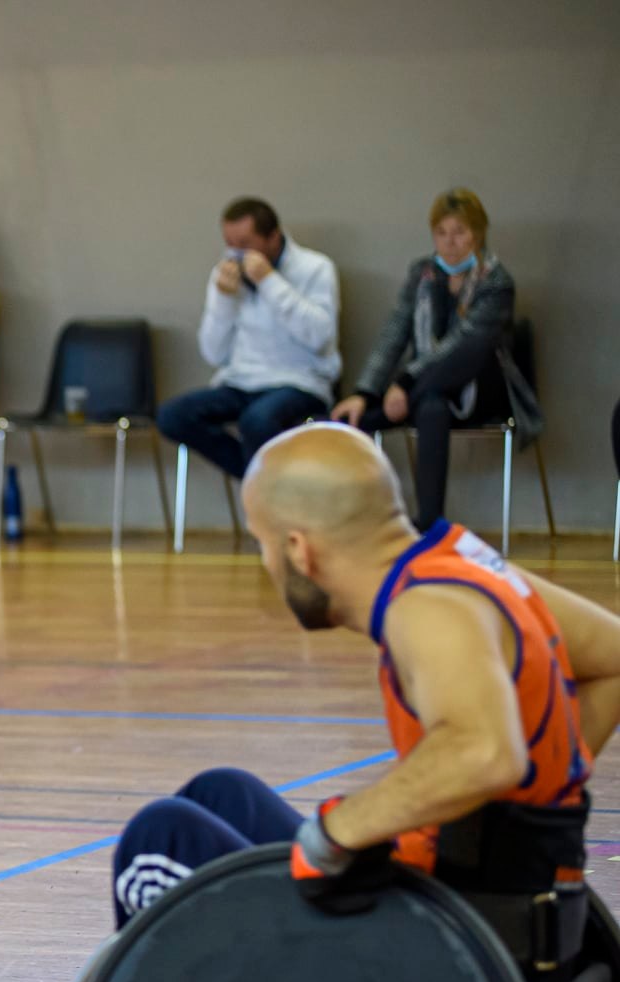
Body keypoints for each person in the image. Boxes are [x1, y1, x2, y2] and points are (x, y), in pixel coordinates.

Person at [110, 423, 610, 942]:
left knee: (157, 839)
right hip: (489, 895)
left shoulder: (425, 611)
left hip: (444, 935)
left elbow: (483, 753)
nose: (265, 562)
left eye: (263, 544)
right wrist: (523, 814)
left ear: (299, 550)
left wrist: (338, 831)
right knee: (220, 793)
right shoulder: (469, 570)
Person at [331, 188, 541, 531]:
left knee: (463, 357)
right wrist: (365, 391)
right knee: (431, 406)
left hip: (482, 388)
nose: (450, 242)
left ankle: (373, 417)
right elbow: (395, 331)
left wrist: (404, 383)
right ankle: (430, 524)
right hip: (428, 390)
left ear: (478, 234)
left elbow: (464, 345)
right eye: (441, 233)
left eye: (459, 232)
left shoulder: (497, 281)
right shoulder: (423, 273)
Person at [155, 197, 341, 480]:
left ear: (273, 237)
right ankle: (264, 485)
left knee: (256, 421)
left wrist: (269, 281)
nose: (235, 253)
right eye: (229, 243)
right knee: (172, 416)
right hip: (241, 381)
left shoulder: (316, 268)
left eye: (244, 244)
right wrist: (223, 300)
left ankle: (264, 492)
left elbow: (319, 337)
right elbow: (213, 353)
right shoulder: (224, 274)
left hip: (300, 381)